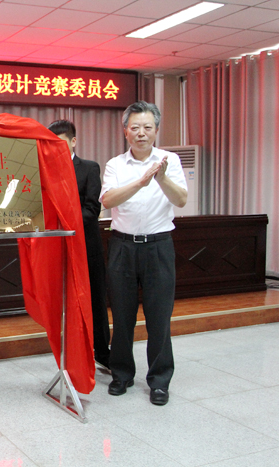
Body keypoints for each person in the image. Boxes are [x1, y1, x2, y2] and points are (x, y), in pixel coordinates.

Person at [100, 101, 187, 406]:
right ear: (125, 131)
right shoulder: (115, 164)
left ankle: (159, 381)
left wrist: (161, 177)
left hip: (159, 247)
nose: (141, 133)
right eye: (135, 127)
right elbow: (108, 200)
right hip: (122, 247)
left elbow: (181, 199)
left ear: (156, 130)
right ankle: (122, 374)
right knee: (122, 316)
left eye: (147, 127)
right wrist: (141, 181)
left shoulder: (170, 160)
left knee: (159, 317)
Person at [47, 119, 110, 370]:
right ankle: (70, 352)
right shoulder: (46, 170)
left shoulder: (89, 168)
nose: (56, 149)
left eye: (61, 143)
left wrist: (64, 223)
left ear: (73, 141)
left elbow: (92, 209)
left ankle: (102, 352)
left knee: (94, 300)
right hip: (56, 246)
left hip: (86, 246)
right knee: (62, 301)